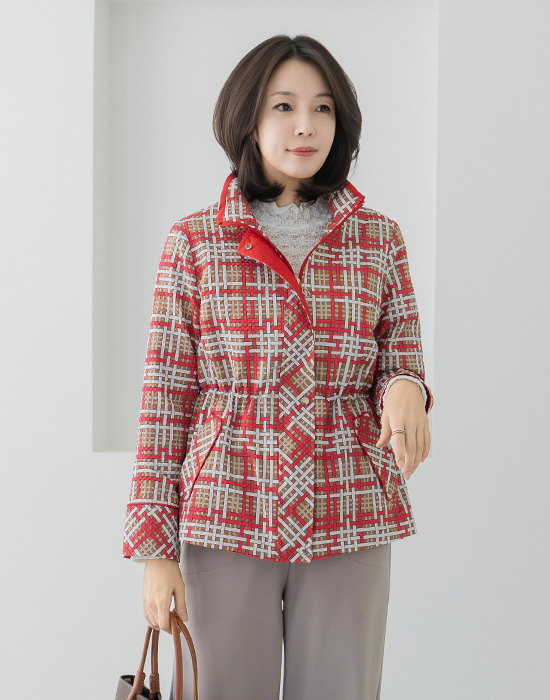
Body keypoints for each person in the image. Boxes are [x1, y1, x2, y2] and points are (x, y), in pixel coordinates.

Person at [122, 34, 434, 700]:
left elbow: (400, 353)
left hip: (349, 506)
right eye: (284, 106)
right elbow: (165, 398)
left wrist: (407, 386)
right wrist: (155, 551)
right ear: (248, 118)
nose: (305, 126)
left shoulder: (379, 239)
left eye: (323, 108)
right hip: (226, 507)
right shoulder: (195, 242)